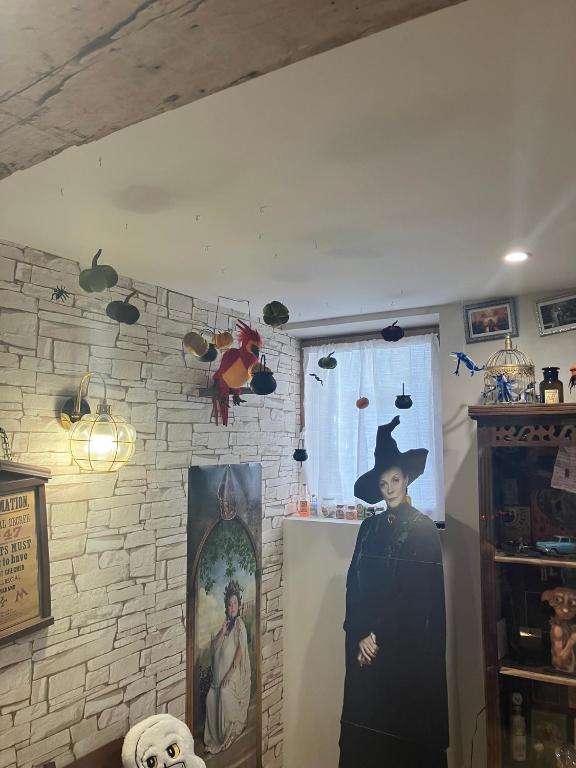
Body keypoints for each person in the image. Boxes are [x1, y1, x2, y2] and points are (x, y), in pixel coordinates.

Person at [339, 416, 449, 768]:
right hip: (365, 650)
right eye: (384, 482)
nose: (389, 488)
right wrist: (359, 633)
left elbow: (418, 596)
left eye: (395, 480)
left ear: (406, 480)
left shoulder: (423, 529)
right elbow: (353, 582)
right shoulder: (368, 527)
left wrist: (378, 634)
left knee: (402, 740)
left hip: (406, 654)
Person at [204, 580, 251, 754]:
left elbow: (240, 650)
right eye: (229, 604)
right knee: (210, 697)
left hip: (235, 673)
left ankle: (233, 730)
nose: (232, 607)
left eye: (235, 604)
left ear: (238, 605)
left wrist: (229, 674)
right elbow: (214, 648)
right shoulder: (226, 625)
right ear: (226, 606)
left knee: (224, 692)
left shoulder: (239, 624)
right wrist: (221, 634)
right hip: (221, 674)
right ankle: (215, 737)